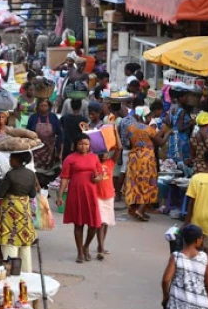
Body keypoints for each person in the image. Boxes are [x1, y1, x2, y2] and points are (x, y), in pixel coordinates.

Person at [161, 224, 208, 309]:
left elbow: (166, 280)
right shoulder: (204, 258)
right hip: (199, 305)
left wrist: (166, 297)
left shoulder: (176, 257)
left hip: (178, 303)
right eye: (201, 238)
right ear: (197, 240)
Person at [57, 134, 102, 263]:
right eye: (81, 144)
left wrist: (96, 178)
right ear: (76, 145)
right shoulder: (70, 158)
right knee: (79, 223)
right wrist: (60, 195)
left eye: (86, 144)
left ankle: (86, 246)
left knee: (94, 224)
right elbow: (65, 177)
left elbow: (100, 176)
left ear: (90, 145)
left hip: (91, 192)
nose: (84, 146)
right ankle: (80, 252)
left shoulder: (94, 158)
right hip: (75, 193)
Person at [124, 105, 170, 221]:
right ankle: (140, 209)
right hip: (146, 159)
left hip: (134, 158)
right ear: (146, 117)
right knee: (148, 183)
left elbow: (129, 144)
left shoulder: (130, 128)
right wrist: (167, 133)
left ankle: (136, 209)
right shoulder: (148, 129)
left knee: (135, 183)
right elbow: (160, 143)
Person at [0, 152, 37, 272]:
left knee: (10, 241)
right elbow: (33, 194)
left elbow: (0, 193)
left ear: (17, 159)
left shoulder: (10, 175)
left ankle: (11, 272)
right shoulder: (31, 174)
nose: (9, 160)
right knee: (24, 244)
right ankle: (27, 272)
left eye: (11, 158)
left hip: (10, 210)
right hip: (24, 209)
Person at [96, 130, 121, 260]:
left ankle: (101, 245)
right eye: (102, 152)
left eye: (106, 152)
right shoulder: (95, 164)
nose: (105, 155)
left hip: (109, 195)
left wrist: (115, 132)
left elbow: (119, 147)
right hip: (97, 196)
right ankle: (100, 247)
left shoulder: (110, 163)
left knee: (105, 223)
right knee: (100, 222)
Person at [27, 98, 63, 170]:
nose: (43, 107)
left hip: (50, 149)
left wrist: (59, 150)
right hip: (36, 148)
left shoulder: (53, 117)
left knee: (49, 170)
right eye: (41, 105)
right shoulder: (33, 117)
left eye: (45, 105)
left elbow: (60, 133)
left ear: (49, 106)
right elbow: (27, 132)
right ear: (38, 106)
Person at [167, 91, 193, 164]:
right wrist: (190, 124)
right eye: (185, 97)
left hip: (173, 136)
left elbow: (168, 122)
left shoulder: (172, 107)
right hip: (181, 138)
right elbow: (180, 128)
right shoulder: (182, 111)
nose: (187, 99)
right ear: (180, 98)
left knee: (173, 160)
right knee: (182, 160)